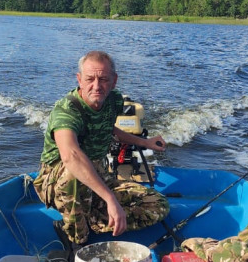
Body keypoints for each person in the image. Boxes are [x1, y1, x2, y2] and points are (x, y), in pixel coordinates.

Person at [34, 50, 170, 247]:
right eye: (90, 79)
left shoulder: (113, 101)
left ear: (114, 81)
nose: (96, 86)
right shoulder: (66, 111)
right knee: (72, 172)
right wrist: (110, 199)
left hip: (97, 173)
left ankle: (95, 220)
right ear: (79, 80)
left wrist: (145, 142)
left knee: (158, 205)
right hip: (58, 180)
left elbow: (110, 129)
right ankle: (76, 238)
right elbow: (70, 156)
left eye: (103, 79)